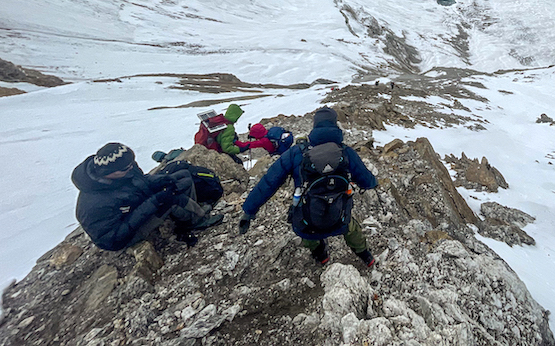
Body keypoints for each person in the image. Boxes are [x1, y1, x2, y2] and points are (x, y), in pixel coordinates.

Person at [238, 107, 378, 267]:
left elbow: (269, 182)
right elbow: (367, 181)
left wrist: (249, 211)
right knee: (351, 227)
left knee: (304, 228)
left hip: (307, 221)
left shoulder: (296, 152)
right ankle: (366, 257)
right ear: (335, 124)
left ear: (315, 126)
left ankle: (321, 256)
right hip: (339, 216)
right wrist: (373, 183)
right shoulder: (345, 152)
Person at [71, 142, 223, 251]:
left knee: (182, 176)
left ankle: (190, 212)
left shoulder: (124, 169)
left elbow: (140, 181)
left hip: (137, 203)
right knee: (170, 200)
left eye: (132, 164)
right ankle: (196, 220)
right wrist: (154, 202)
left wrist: (162, 180)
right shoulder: (93, 205)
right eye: (127, 167)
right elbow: (113, 238)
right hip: (125, 237)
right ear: (108, 172)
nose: (132, 168)